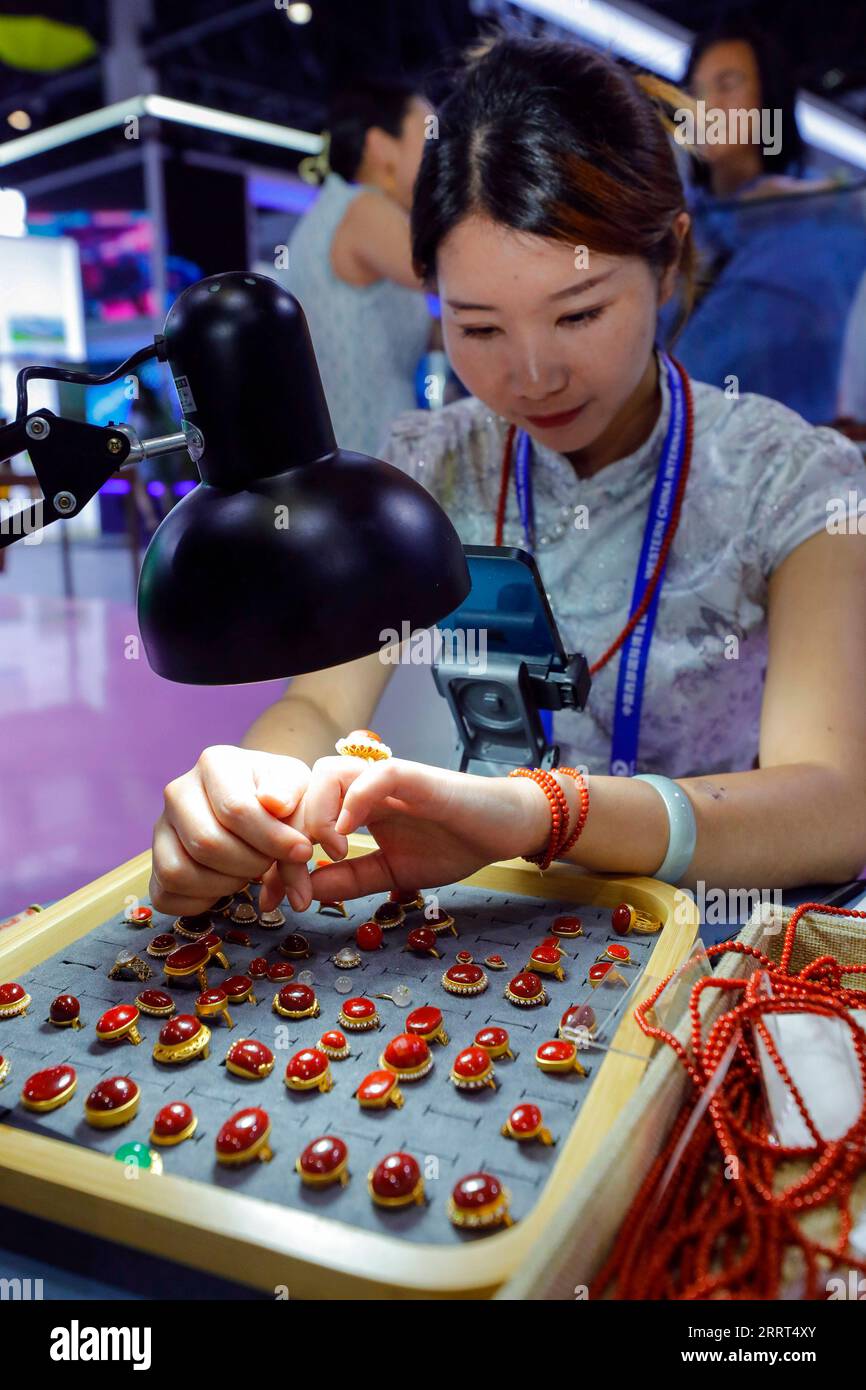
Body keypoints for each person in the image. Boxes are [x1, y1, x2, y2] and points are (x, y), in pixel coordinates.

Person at [150, 35, 866, 922]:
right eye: (479, 328)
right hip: (480, 946)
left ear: (669, 258)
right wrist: (250, 797)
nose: (532, 377)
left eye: (580, 312)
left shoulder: (790, 478)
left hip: (697, 955)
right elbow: (321, 708)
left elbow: (836, 804)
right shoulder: (429, 463)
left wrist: (544, 813)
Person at [667, 15, 866, 423]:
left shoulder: (826, 217)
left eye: (727, 84)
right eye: (695, 90)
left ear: (769, 97)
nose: (707, 107)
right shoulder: (670, 219)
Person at [283, 78, 436, 456]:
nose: (441, 156)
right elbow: (460, 276)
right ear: (380, 145)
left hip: (346, 457)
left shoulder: (335, 209)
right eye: (429, 137)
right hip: (368, 459)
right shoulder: (363, 209)